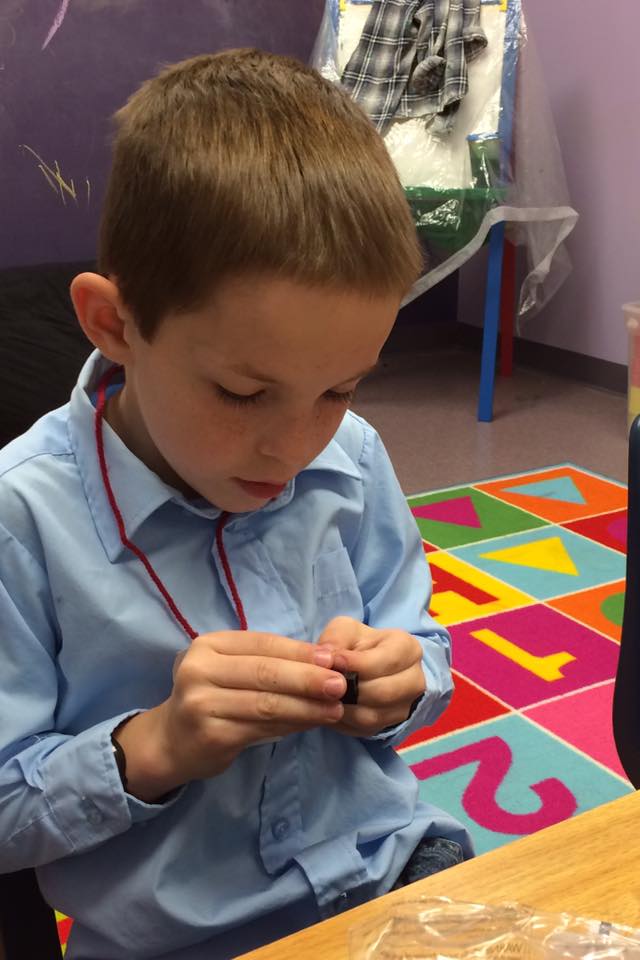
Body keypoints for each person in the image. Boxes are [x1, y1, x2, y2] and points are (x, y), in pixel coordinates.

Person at [0, 49, 472, 960]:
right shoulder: (23, 522)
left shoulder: (351, 457)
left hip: (394, 869)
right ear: (114, 324)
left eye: (340, 389)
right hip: (176, 941)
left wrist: (403, 681)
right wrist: (156, 746)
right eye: (245, 394)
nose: (296, 447)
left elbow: (425, 647)